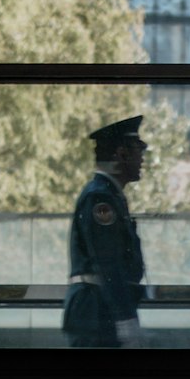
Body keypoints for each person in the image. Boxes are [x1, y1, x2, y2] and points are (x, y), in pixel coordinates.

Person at [62, 113, 150, 350]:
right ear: (121, 154)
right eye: (138, 148)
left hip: (100, 308)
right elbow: (108, 262)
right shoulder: (101, 197)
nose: (142, 157)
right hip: (97, 312)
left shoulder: (108, 195)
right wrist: (125, 319)